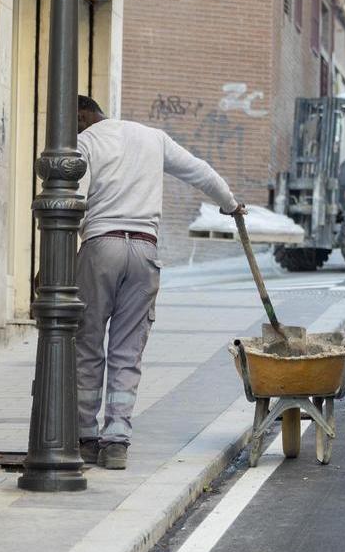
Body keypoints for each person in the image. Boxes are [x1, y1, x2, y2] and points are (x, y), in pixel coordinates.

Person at [74, 95, 244, 470]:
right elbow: (200, 171)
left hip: (101, 245)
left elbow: (75, 203)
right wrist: (230, 204)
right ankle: (116, 441)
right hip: (145, 252)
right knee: (127, 351)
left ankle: (85, 438)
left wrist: (51, 264)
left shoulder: (85, 142)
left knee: (87, 345)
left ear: (82, 115)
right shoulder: (153, 137)